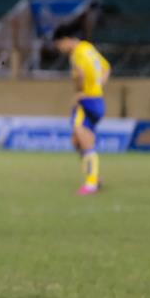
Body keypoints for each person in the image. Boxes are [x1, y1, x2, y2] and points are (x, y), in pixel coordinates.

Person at [53, 24, 111, 195]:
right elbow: (106, 68)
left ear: (65, 40)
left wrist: (81, 92)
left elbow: (80, 75)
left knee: (83, 139)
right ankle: (95, 177)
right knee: (77, 141)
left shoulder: (77, 53)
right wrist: (98, 87)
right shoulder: (89, 48)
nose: (60, 49)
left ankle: (91, 183)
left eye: (59, 44)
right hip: (98, 100)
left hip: (85, 103)